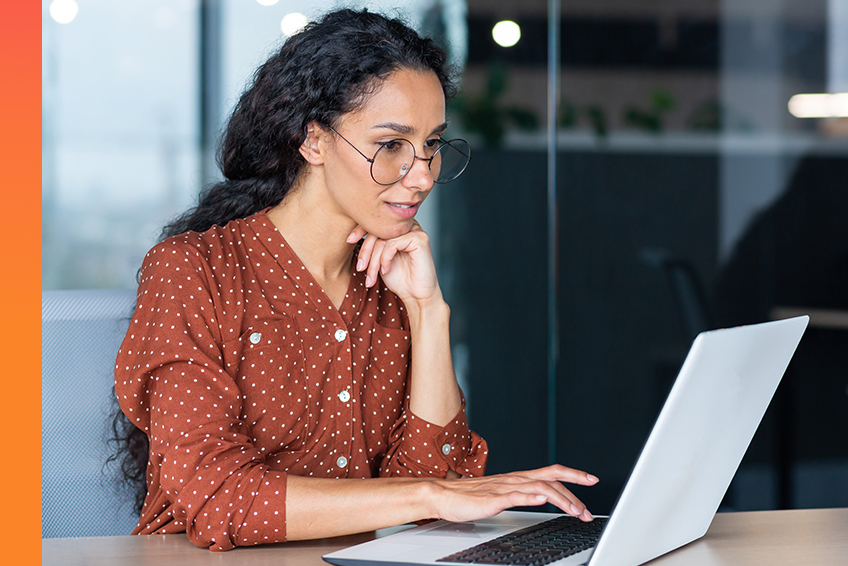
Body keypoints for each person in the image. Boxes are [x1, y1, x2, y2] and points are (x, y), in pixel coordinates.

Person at [114, 8, 598, 552]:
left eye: (433, 145)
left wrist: (427, 312)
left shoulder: (391, 282)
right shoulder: (192, 270)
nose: (421, 177)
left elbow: (438, 478)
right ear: (313, 141)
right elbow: (218, 498)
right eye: (390, 145)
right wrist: (428, 496)